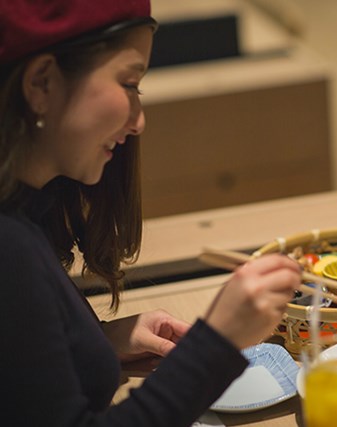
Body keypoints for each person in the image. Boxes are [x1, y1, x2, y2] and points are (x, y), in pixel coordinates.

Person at [0, 1, 301, 425]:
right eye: (129, 83)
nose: (139, 121)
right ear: (41, 83)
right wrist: (215, 343)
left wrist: (97, 343)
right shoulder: (9, 247)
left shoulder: (25, 213)